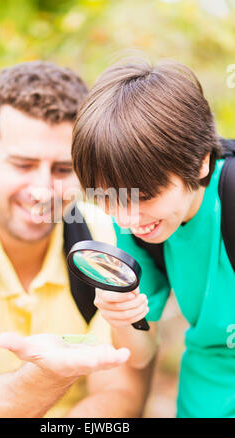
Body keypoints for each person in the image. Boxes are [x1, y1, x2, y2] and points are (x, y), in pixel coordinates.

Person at [0, 60, 153, 418]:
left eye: (63, 169)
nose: (42, 191)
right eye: (22, 165)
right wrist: (51, 374)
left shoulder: (109, 233)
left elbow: (122, 392)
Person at [71, 57, 235, 418]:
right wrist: (122, 317)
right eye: (110, 197)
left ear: (201, 162)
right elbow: (141, 352)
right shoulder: (131, 227)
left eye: (145, 196)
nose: (127, 217)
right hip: (206, 386)